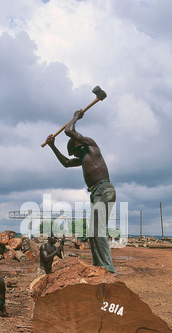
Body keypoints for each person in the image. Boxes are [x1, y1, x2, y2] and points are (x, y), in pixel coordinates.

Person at [46, 110, 116, 273]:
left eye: (75, 152)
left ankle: (107, 266)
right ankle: (100, 265)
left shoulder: (91, 146)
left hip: (105, 189)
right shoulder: (83, 156)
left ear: (79, 145)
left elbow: (69, 131)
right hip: (95, 193)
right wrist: (52, 146)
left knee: (98, 228)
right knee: (93, 231)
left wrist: (76, 117)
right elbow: (66, 163)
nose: (76, 156)